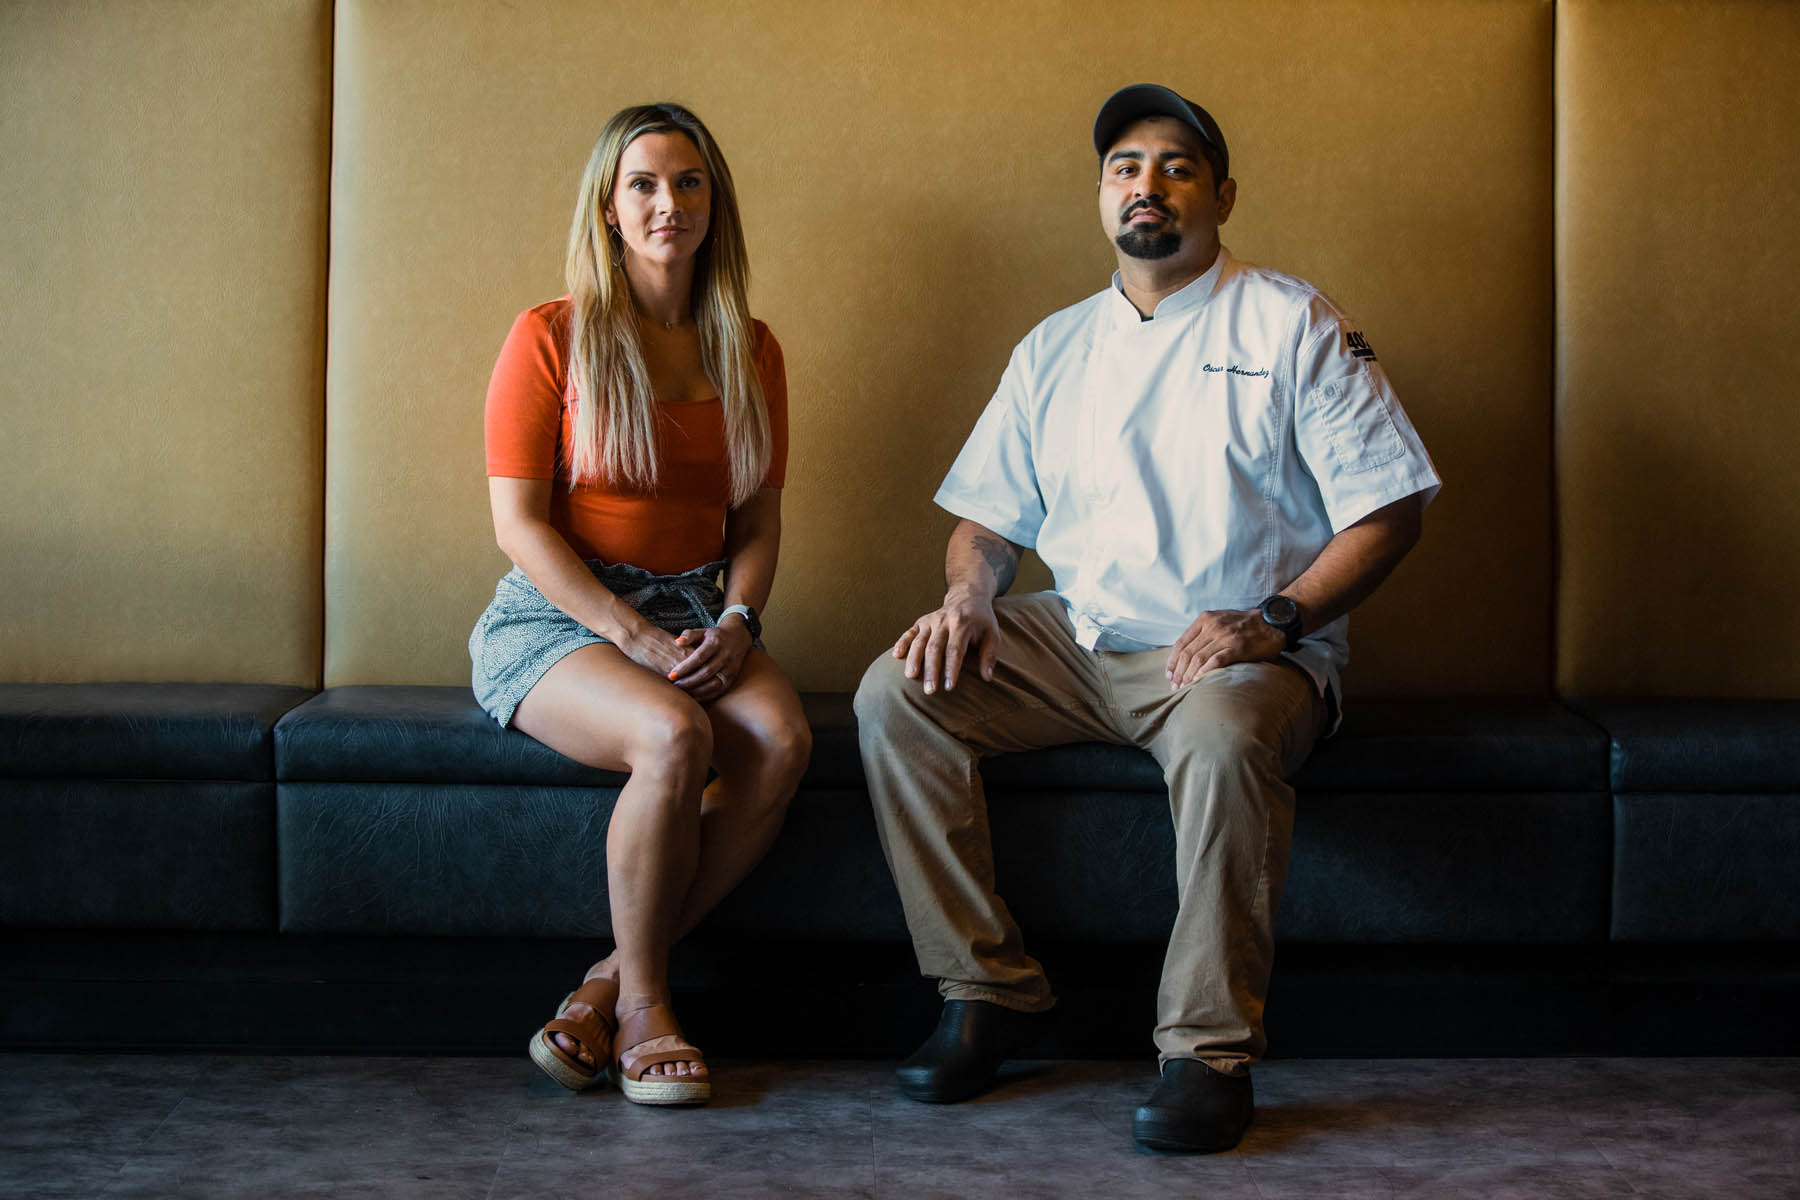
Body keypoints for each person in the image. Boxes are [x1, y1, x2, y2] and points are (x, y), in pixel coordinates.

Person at [854, 83, 1440, 1151]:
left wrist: (1275, 619)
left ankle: (1206, 1054)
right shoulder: (1055, 347)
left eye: (1176, 166)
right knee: (899, 692)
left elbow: (1390, 510)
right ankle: (984, 992)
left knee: (1221, 735)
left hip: (1239, 656)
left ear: (1222, 195)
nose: (1148, 185)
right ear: (1102, 196)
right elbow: (987, 522)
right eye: (1125, 166)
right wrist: (969, 596)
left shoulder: (1291, 322)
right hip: (1079, 641)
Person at [470, 102, 811, 1107]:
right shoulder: (550, 335)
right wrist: (630, 633)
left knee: (783, 741)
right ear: (609, 210)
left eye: (689, 182)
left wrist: (737, 623)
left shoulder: (751, 347)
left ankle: (604, 983)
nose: (670, 203)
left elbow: (757, 523)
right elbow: (519, 527)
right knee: (672, 735)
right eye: (645, 185)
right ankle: (649, 1008)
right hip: (561, 614)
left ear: (715, 203)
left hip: (699, 608)